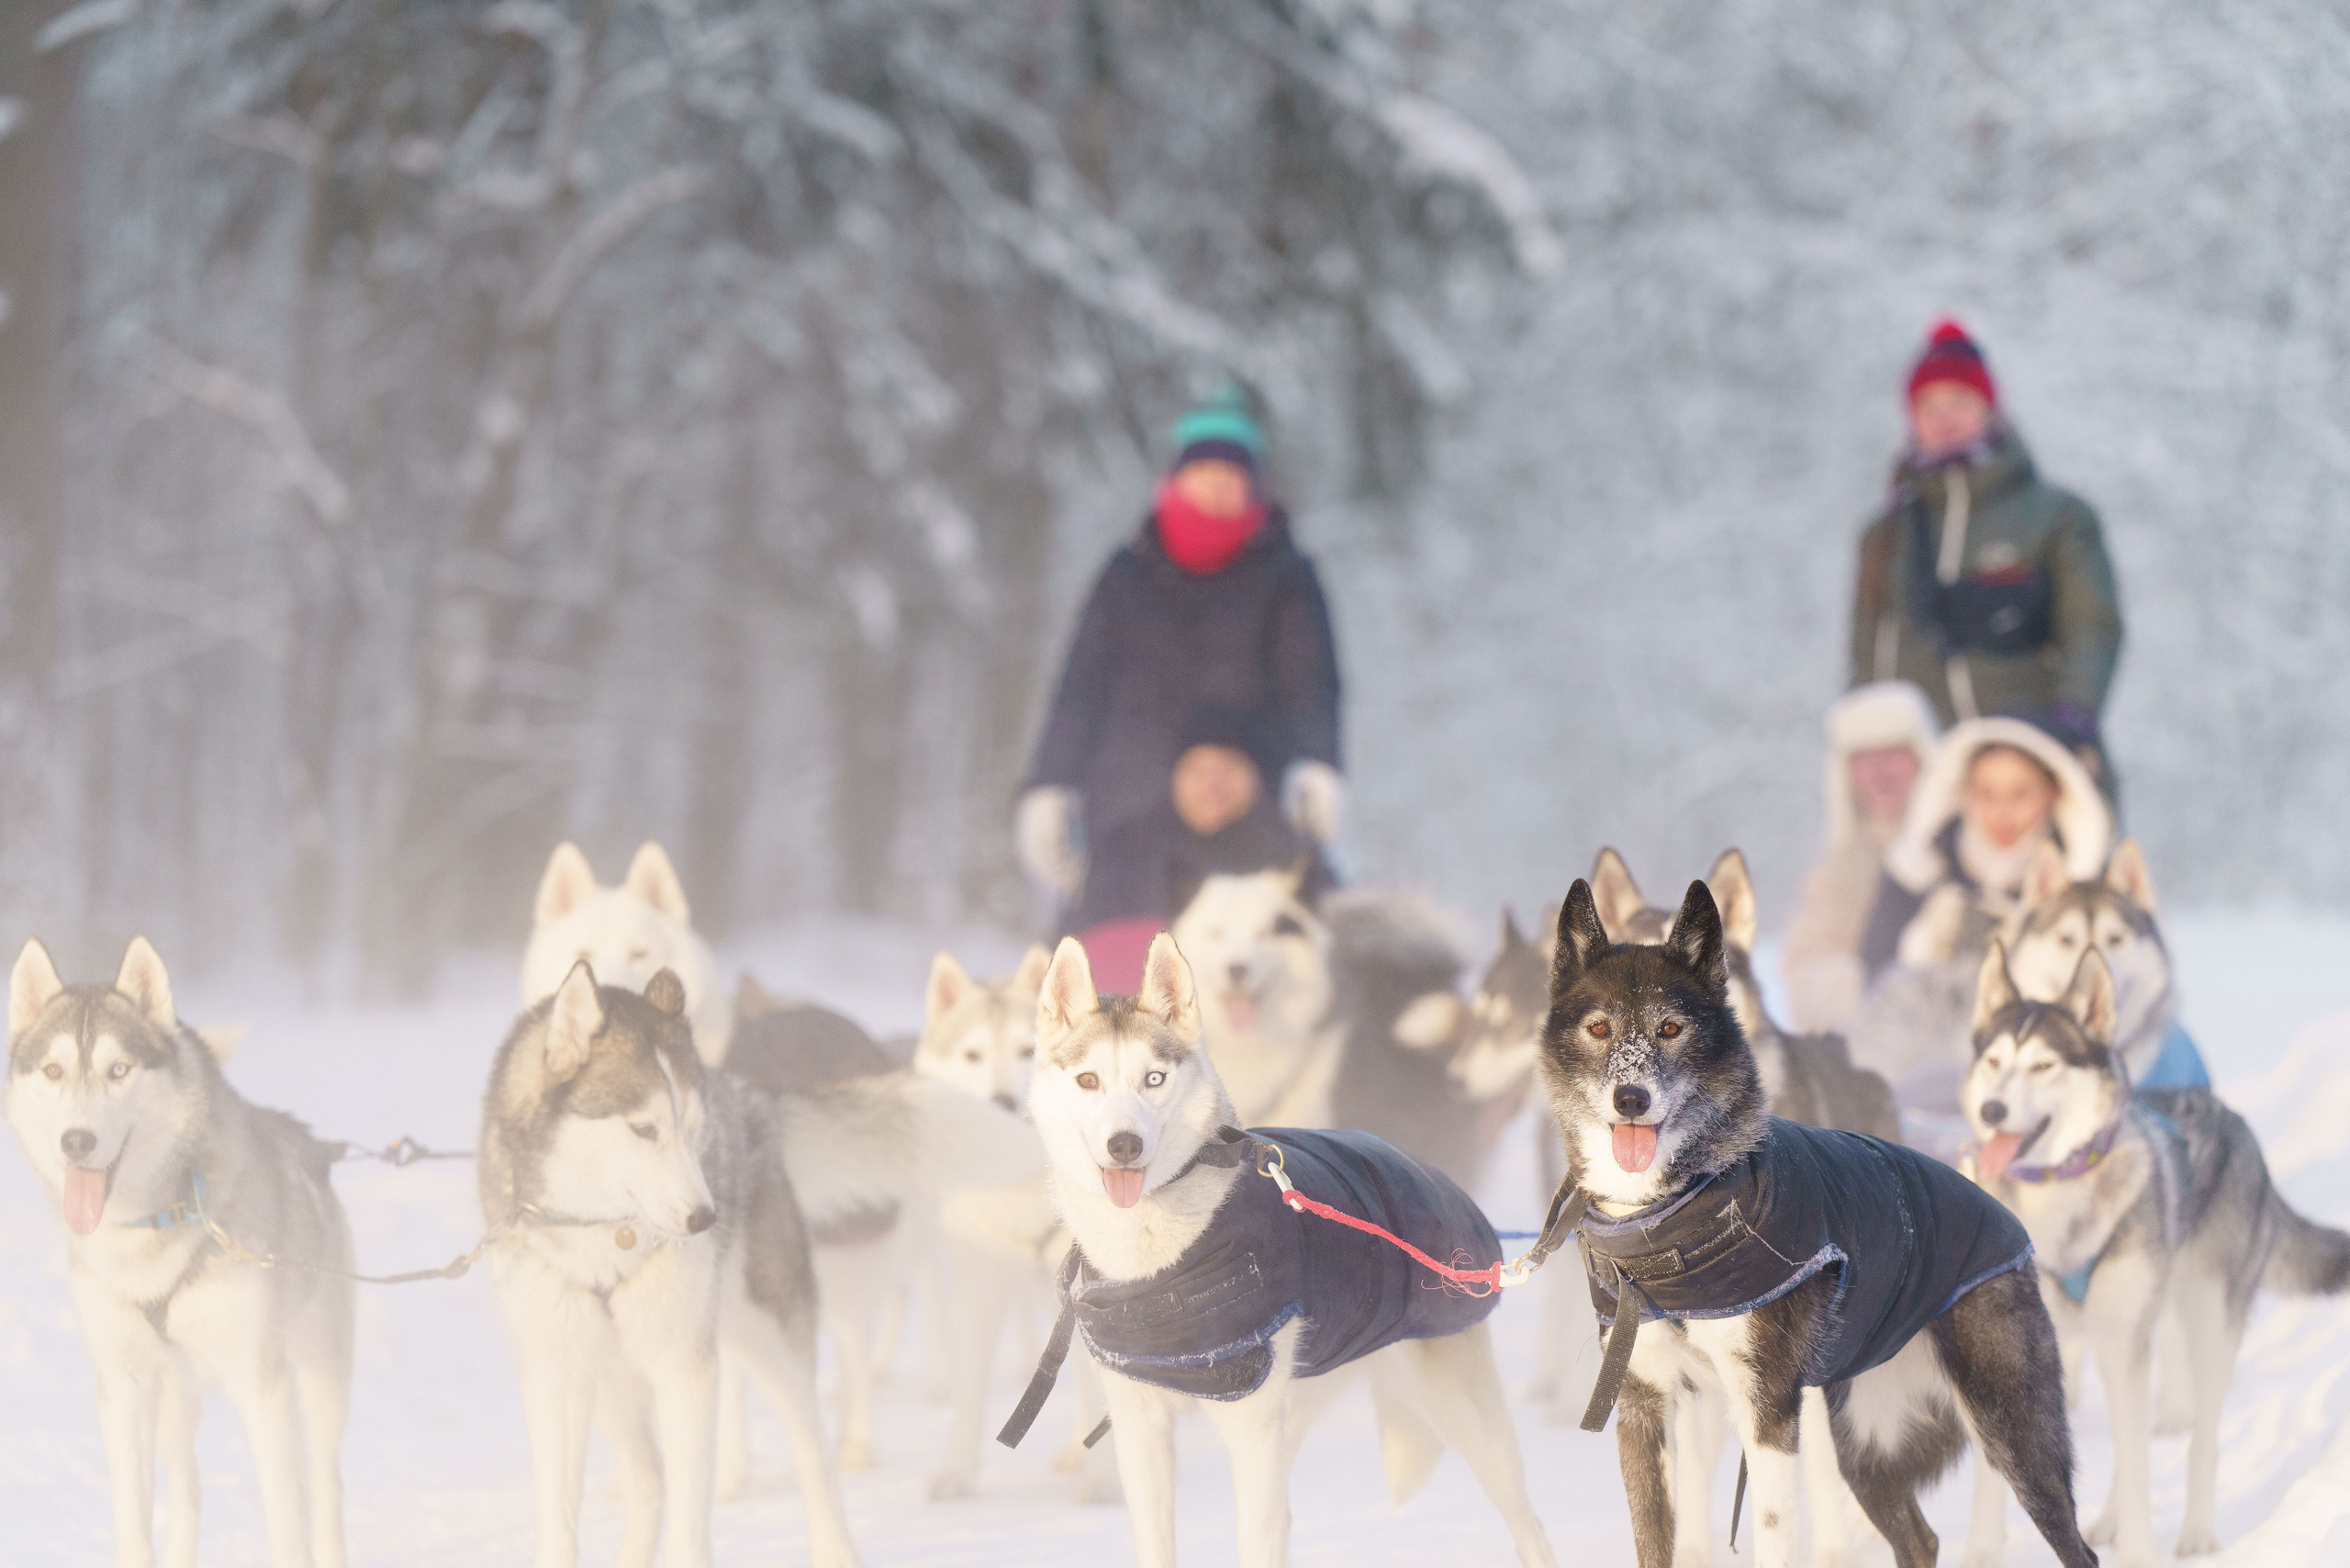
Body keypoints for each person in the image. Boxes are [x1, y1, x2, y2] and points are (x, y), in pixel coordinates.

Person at [1017, 389, 1343, 977]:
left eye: (1231, 477)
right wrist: (1050, 782)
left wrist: (1318, 762)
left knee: (1280, 934)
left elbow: (1312, 682)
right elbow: (1080, 686)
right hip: (1128, 799)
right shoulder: (1126, 574)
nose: (1216, 488)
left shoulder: (1288, 578)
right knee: (1107, 962)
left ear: (1254, 489)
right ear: (1176, 480)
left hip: (1246, 796)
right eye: (1204, 474)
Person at [1848, 319, 2123, 793]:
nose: (1943, 418)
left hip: (2033, 774)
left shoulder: (2056, 517)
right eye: (1928, 405)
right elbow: (1865, 650)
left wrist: (2072, 723)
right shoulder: (1885, 536)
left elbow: (2092, 626)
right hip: (1926, 787)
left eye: (1958, 401)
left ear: (1991, 408)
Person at [1845, 717, 2111, 1122]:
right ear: (1963, 792)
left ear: (2053, 793)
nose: (2001, 812)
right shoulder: (1923, 867)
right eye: (1985, 793)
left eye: (2020, 794)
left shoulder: (2081, 886)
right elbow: (1874, 964)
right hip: (1914, 1052)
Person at [1064, 706, 1328, 991]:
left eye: (1229, 769)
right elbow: (1078, 949)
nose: (1213, 785)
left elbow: (1327, 942)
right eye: (1198, 770)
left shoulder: (1291, 857)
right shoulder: (1125, 849)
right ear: (1174, 776)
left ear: (1255, 776)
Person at [1782, 680, 1940, 1033]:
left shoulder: (1962, 846)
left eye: (1892, 754)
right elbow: (1804, 973)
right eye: (1865, 759)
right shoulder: (1838, 867)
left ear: (1921, 756)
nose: (1880, 771)